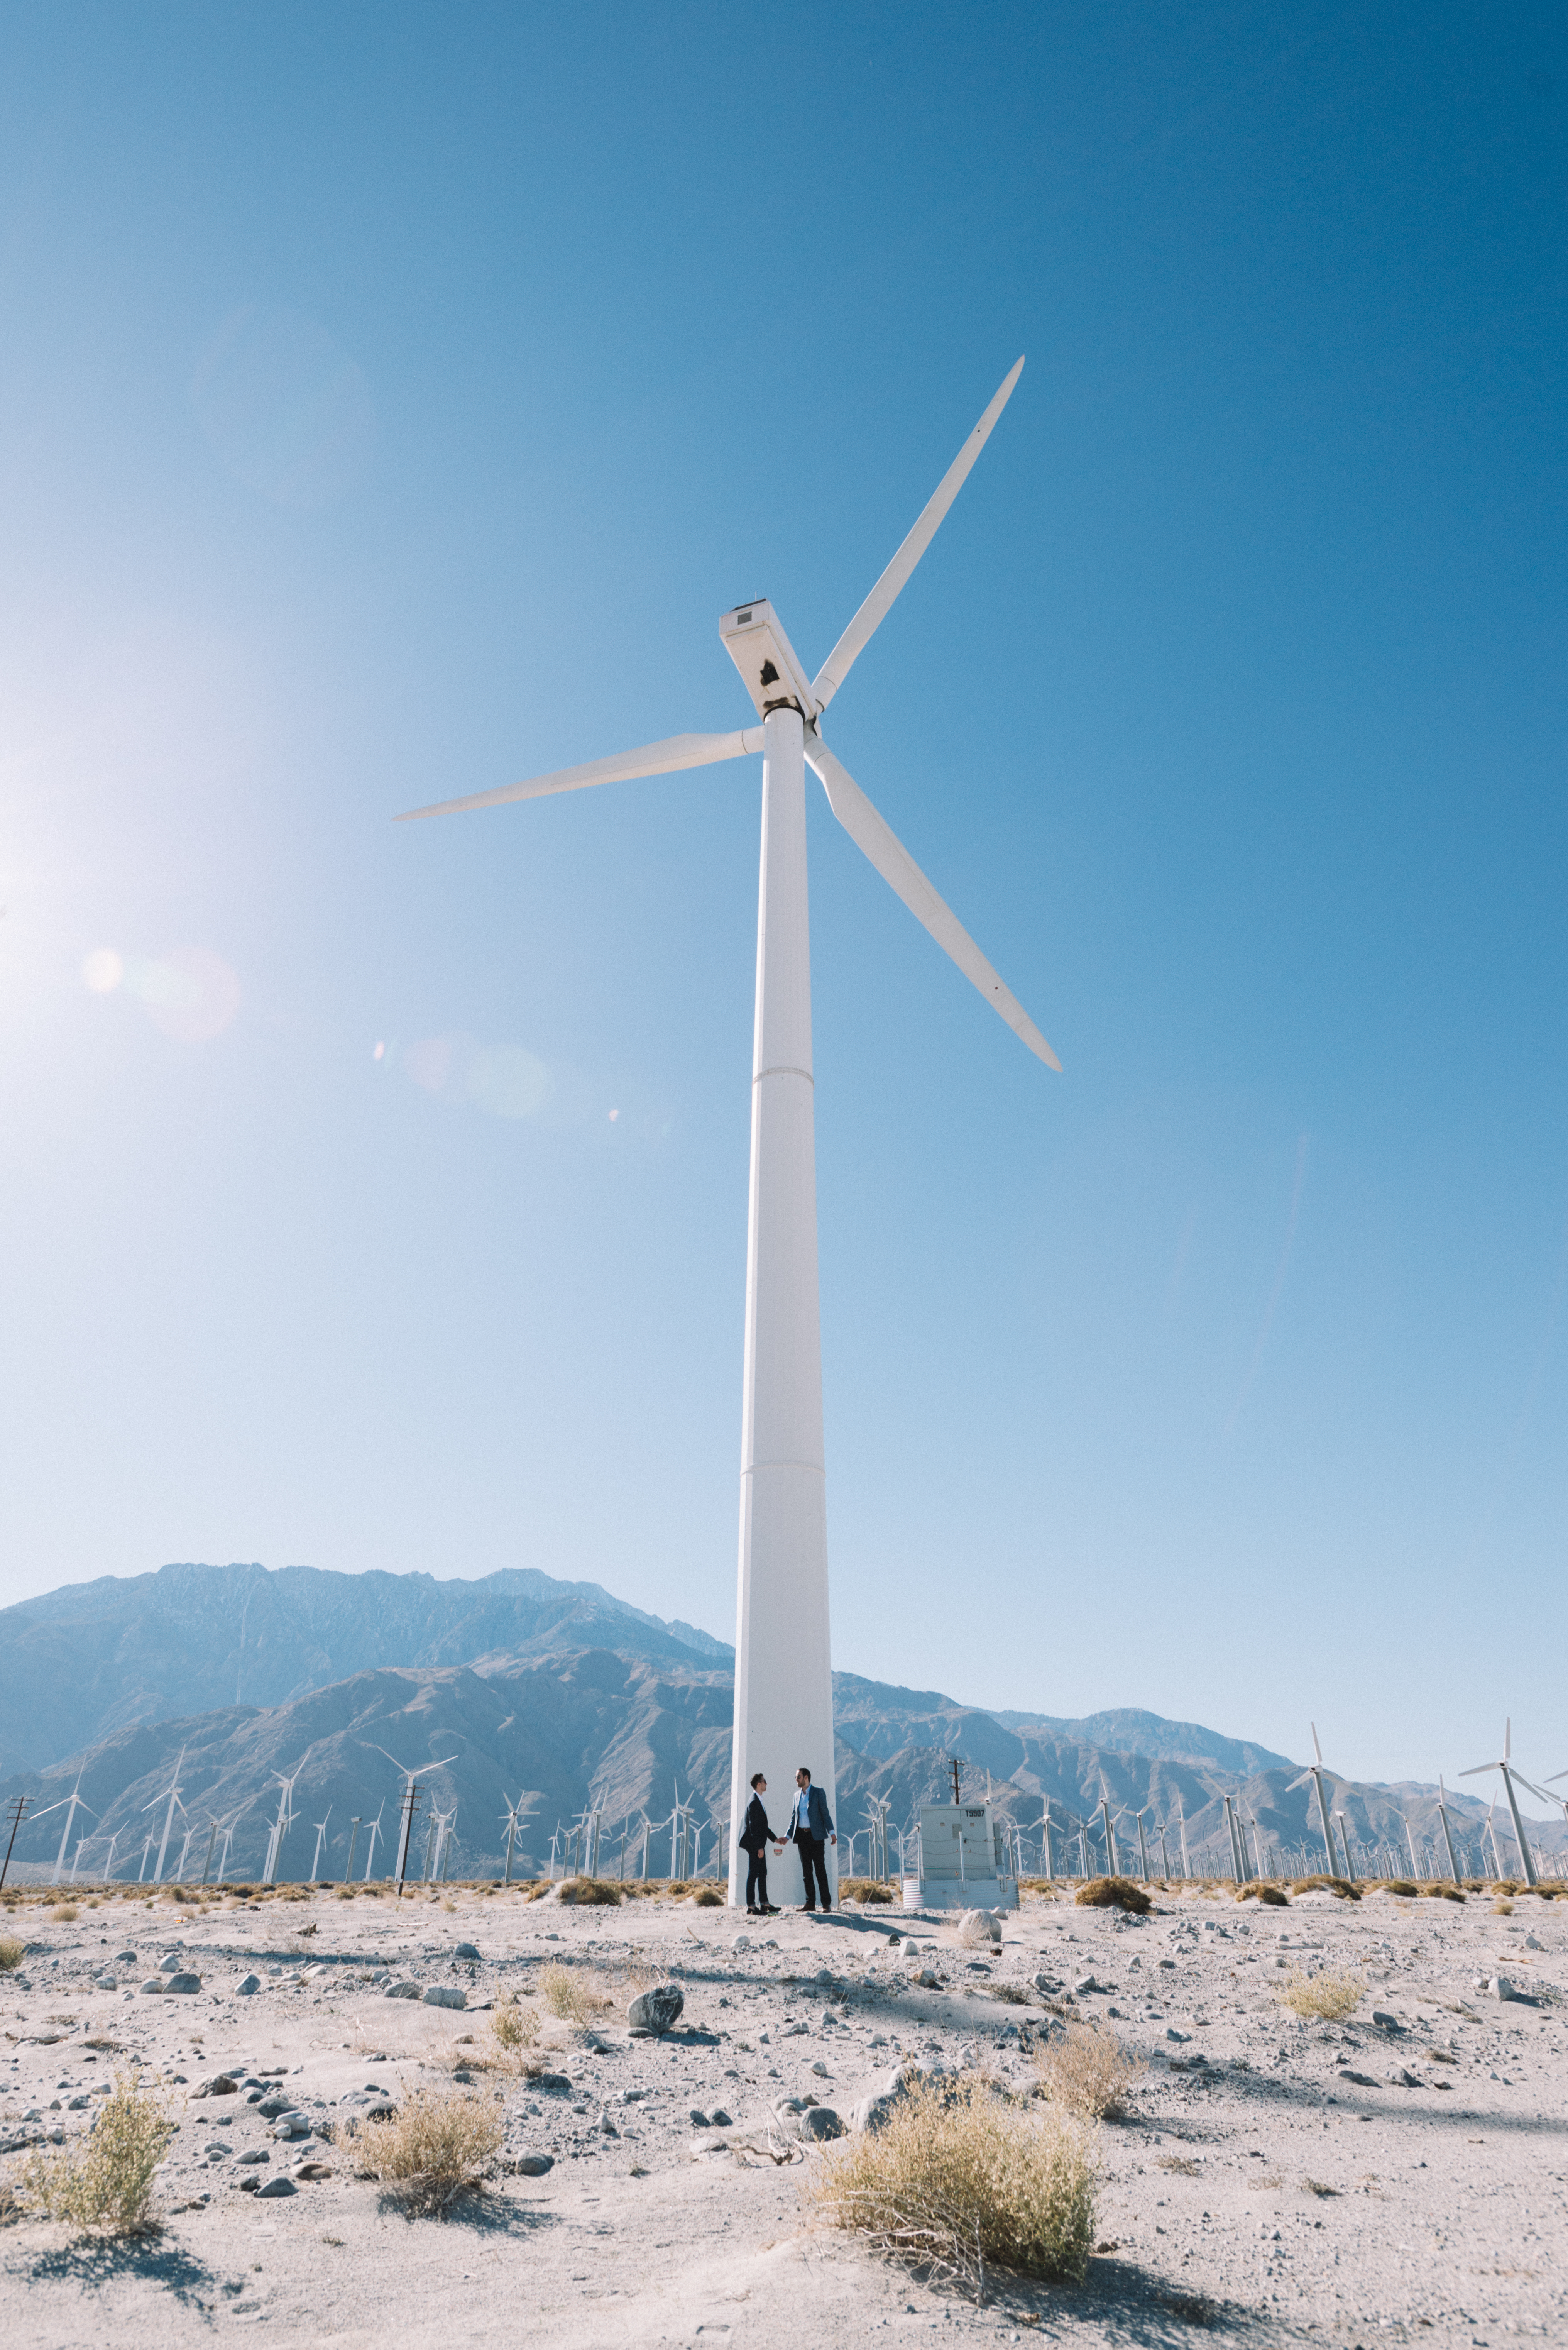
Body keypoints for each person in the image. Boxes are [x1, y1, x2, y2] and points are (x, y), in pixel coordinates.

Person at [788, 1766, 836, 1912]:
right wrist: (787, 1836)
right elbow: (794, 1818)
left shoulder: (819, 1793)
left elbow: (825, 1814)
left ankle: (826, 1904)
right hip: (802, 1837)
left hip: (817, 1837)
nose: (796, 1780)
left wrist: (832, 1833)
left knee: (820, 1870)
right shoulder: (796, 1796)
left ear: (806, 1778)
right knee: (806, 1872)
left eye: (799, 1777)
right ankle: (810, 1903)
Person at [737, 1771, 783, 1916]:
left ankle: (765, 1904)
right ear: (759, 1784)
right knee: (753, 1874)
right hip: (753, 1844)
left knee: (762, 1873)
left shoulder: (758, 1800)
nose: (766, 1784)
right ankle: (751, 1906)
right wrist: (759, 1847)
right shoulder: (754, 1802)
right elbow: (753, 1827)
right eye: (764, 1781)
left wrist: (775, 1839)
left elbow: (763, 1827)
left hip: (758, 1843)